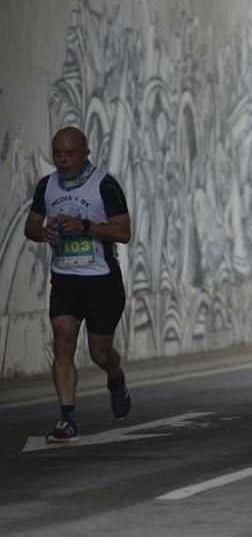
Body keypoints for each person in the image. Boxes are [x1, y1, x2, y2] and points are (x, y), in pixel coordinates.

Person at [23, 127, 133, 442]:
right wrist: (41, 232)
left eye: (69, 153)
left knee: (99, 353)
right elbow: (31, 223)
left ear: (85, 153)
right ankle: (66, 418)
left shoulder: (105, 185)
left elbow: (124, 232)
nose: (62, 159)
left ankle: (115, 377)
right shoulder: (47, 186)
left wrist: (84, 226)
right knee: (63, 343)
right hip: (66, 279)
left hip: (102, 282)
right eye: (57, 152)